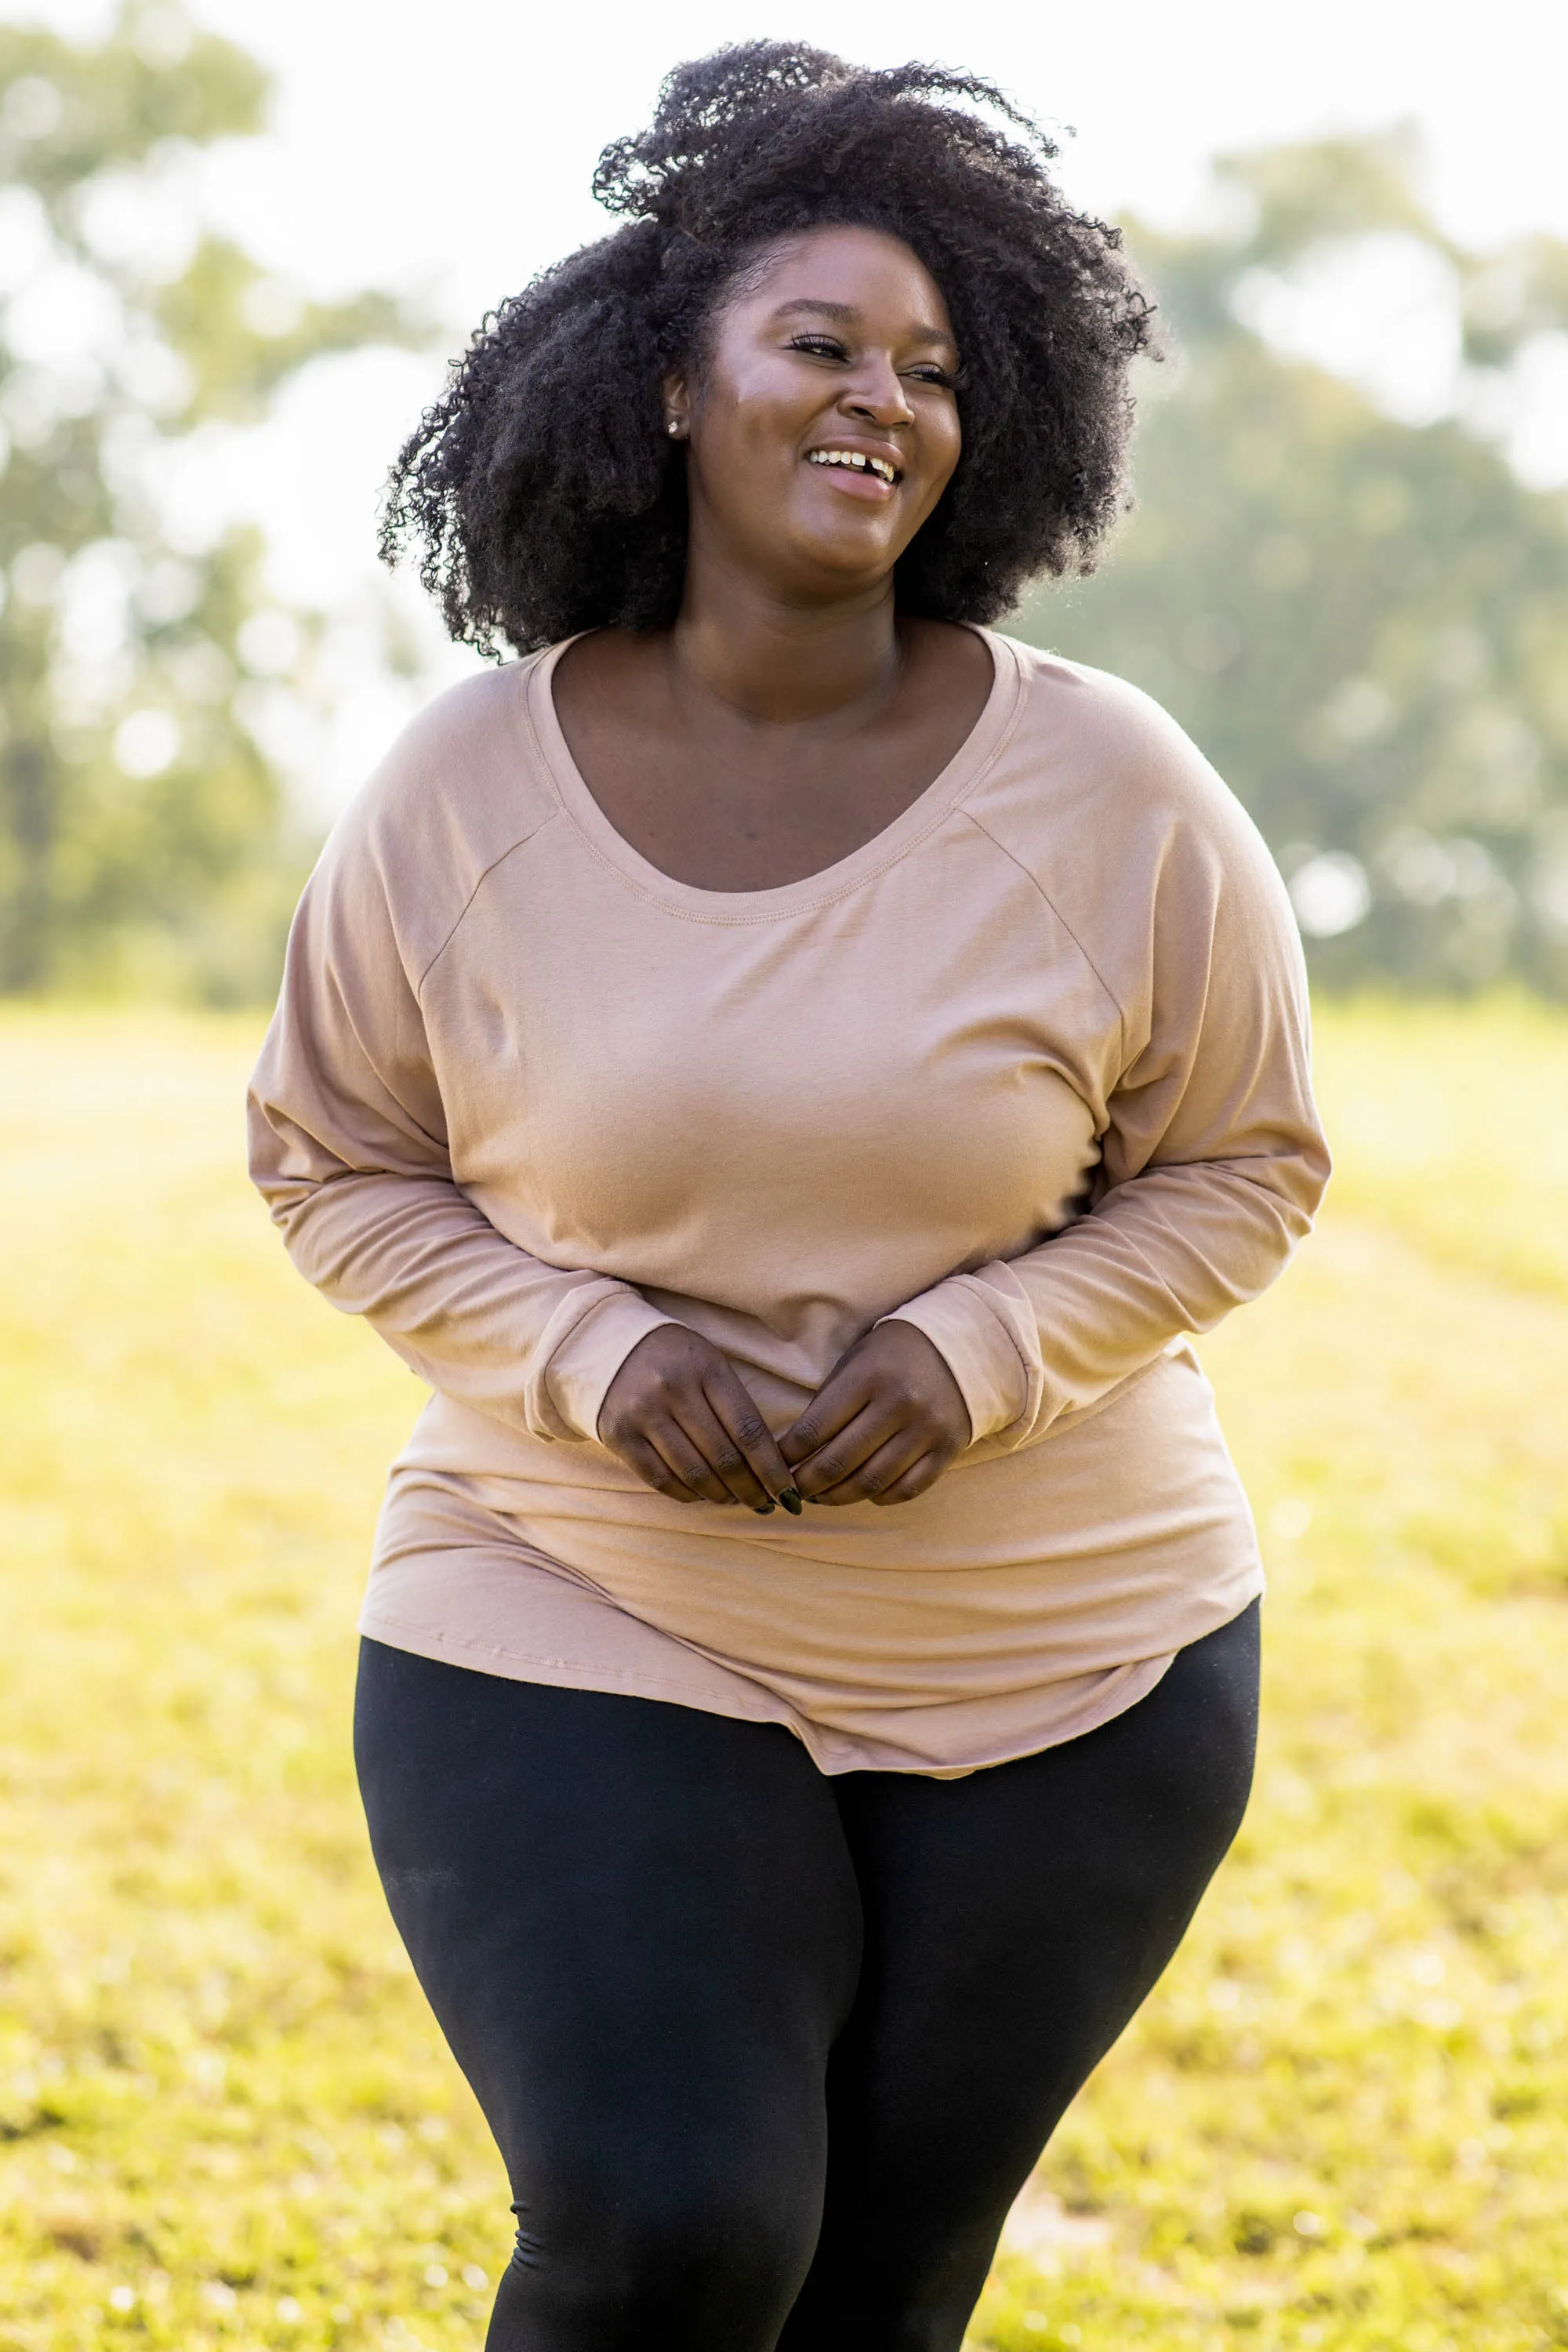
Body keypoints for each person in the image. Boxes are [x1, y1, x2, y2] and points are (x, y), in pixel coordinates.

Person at [248, 43, 1330, 2352]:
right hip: (576, 1583)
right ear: (663, 387)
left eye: (935, 370)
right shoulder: (463, 789)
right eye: (820, 344)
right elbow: (334, 1154)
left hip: (1072, 1650)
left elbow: (1248, 1162)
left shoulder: (1114, 784)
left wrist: (980, 1350)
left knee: (871, 2300)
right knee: (668, 2229)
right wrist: (590, 1349)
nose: (884, 403)